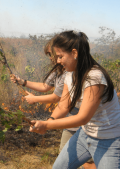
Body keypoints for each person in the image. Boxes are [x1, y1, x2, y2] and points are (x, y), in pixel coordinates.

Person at [29, 30, 120, 169]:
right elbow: (64, 106)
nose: (57, 61)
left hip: (109, 140)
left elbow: (82, 118)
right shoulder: (70, 74)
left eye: (60, 56)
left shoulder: (95, 77)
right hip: (85, 135)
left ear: (74, 53)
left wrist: (46, 126)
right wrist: (49, 121)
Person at [11, 38, 95, 169]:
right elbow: (46, 87)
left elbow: (57, 98)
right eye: (51, 55)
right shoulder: (60, 71)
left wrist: (36, 100)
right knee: (67, 156)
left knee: (87, 161)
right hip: (71, 119)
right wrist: (22, 82)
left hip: (84, 123)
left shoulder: (83, 74)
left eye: (55, 54)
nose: (53, 59)